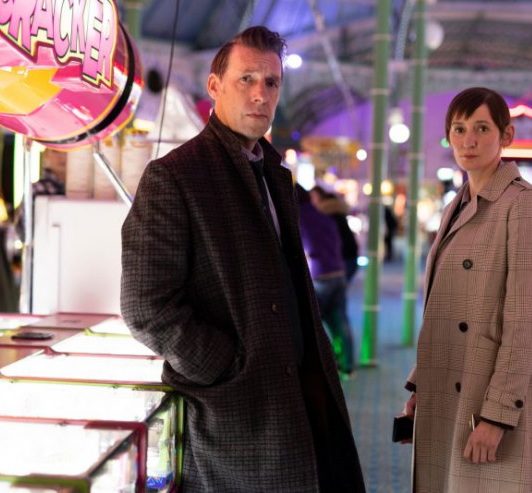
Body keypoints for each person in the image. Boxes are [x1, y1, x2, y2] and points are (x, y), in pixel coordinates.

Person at [120, 26, 365, 493]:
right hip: (233, 413)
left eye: (271, 82)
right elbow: (145, 307)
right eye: (246, 79)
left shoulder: (273, 174)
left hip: (297, 393)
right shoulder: (174, 177)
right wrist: (227, 365)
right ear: (215, 86)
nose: (260, 94)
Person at [398, 87, 532, 492]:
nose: (469, 140)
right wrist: (421, 384)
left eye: (482, 128)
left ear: (506, 135)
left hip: (485, 393)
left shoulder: (523, 204)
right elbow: (442, 311)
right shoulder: (458, 204)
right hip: (447, 382)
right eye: (459, 128)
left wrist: (498, 416)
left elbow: (524, 320)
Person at [297, 184, 356, 376]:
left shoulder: (300, 218)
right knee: (340, 321)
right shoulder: (324, 217)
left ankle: (326, 365)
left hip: (320, 275)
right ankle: (347, 365)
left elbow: (306, 247)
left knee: (313, 325)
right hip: (338, 271)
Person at [309, 186, 359, 282]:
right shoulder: (336, 212)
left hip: (340, 259)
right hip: (349, 256)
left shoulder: (325, 214)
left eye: (313, 197)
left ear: (320, 197)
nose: (311, 201)